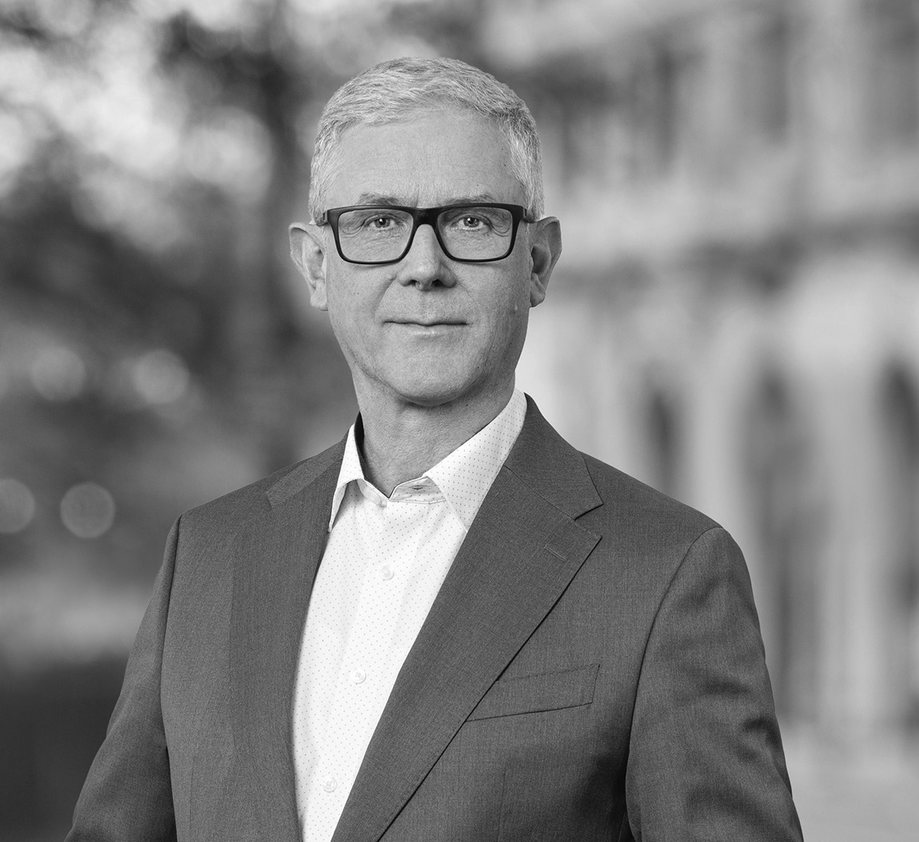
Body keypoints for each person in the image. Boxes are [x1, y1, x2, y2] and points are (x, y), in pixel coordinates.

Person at [66, 56, 803, 842]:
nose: (424, 268)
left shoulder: (667, 574)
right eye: (378, 223)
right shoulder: (208, 557)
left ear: (538, 261)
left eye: (473, 222)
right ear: (316, 264)